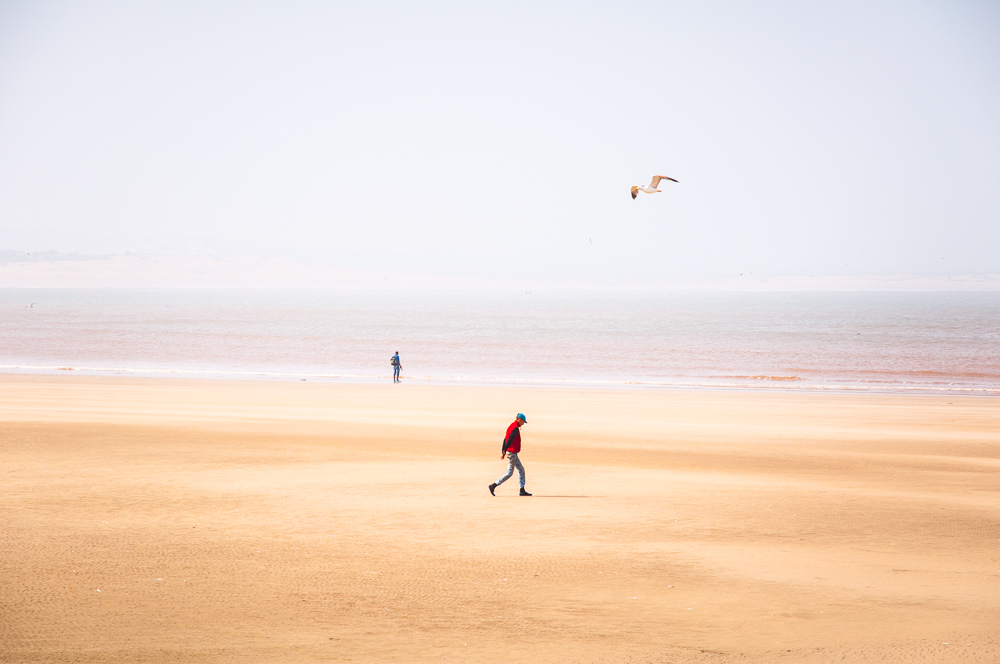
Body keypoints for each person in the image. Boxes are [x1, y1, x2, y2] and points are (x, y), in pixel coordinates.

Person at [489, 413, 531, 496]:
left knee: (521, 470)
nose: (523, 424)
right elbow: (509, 440)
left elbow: (505, 439)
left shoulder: (511, 426)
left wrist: (503, 451)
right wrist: (504, 451)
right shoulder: (515, 428)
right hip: (512, 454)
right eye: (523, 422)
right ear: (519, 420)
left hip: (512, 453)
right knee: (509, 473)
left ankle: (522, 490)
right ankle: (493, 485)